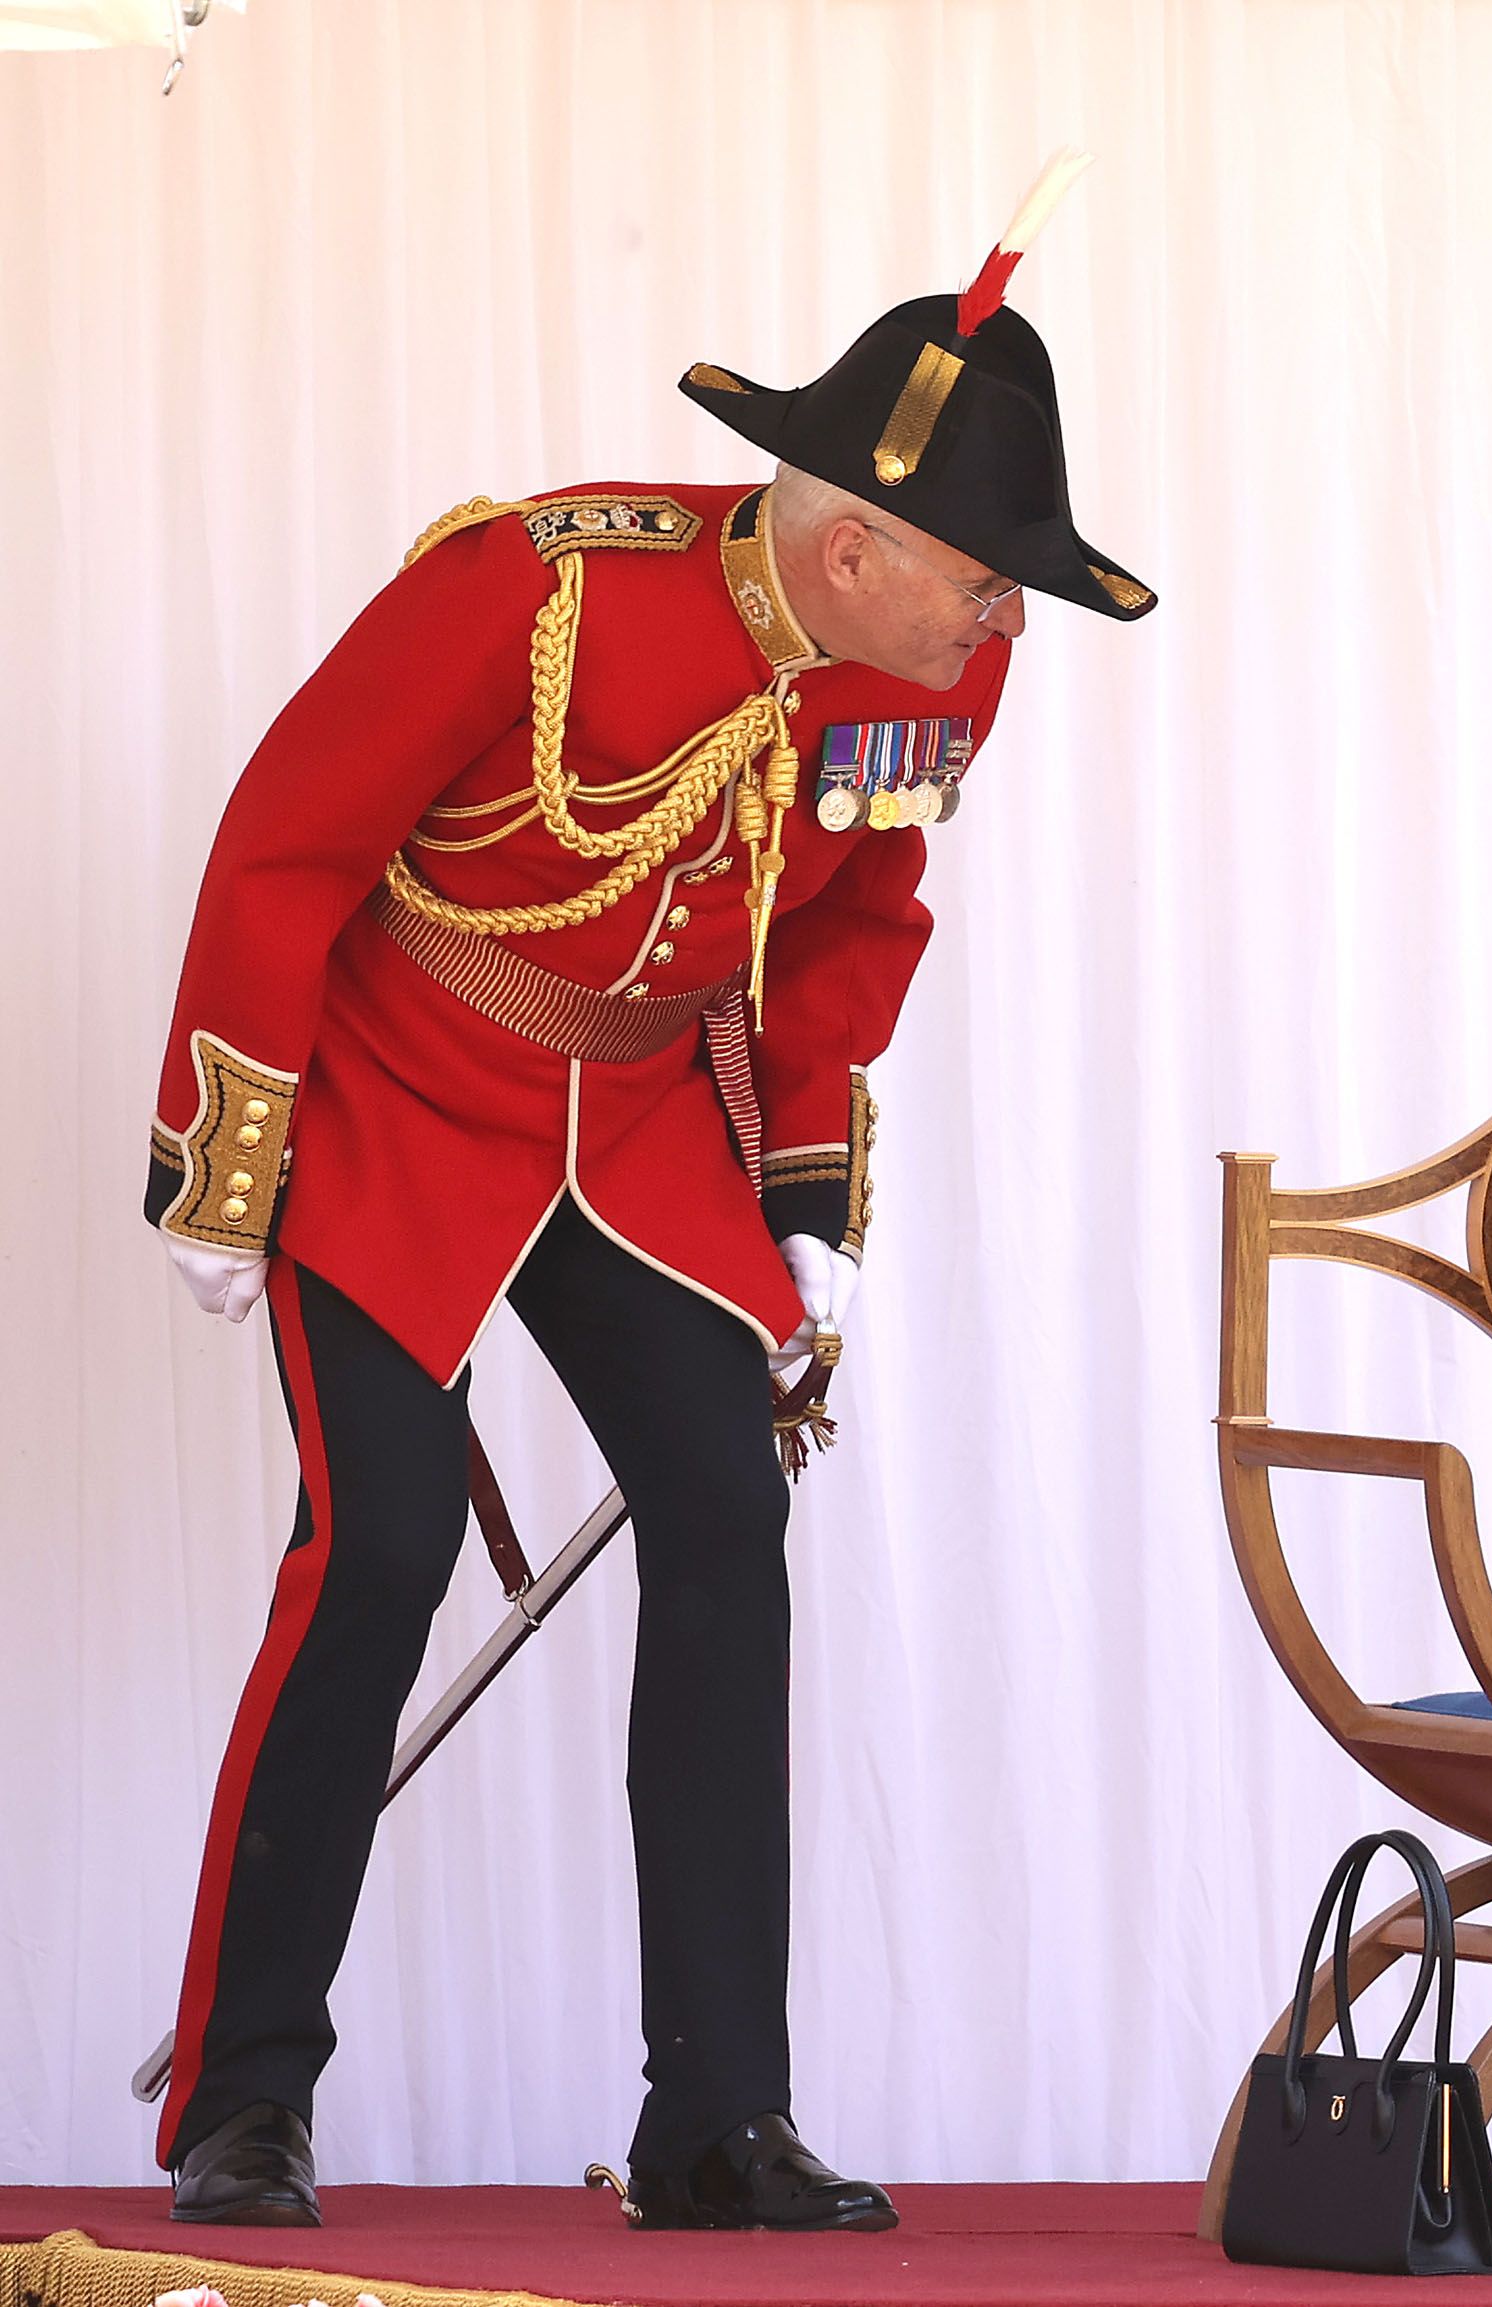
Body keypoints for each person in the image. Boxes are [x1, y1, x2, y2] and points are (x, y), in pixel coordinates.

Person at [143, 158, 1152, 2233]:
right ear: (858, 542)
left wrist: (807, 1192)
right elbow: (291, 838)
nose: (1006, 615)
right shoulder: (534, 584)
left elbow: (855, 916)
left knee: (724, 1519)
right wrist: (223, 1157)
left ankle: (715, 2113)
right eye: (984, 575)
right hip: (402, 1094)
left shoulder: (939, 667)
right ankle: (250, 2093)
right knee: (381, 1541)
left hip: (642, 1125)